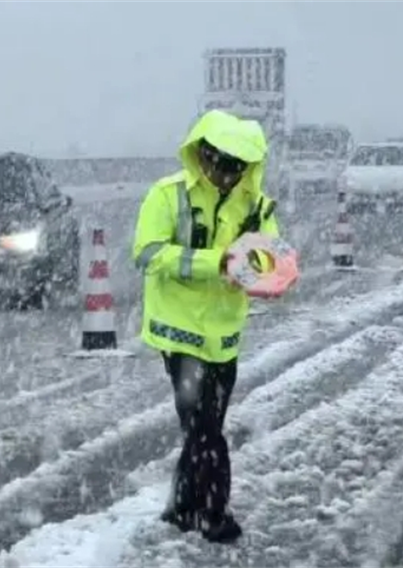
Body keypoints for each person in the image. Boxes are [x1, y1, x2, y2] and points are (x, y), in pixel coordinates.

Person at [132, 109, 280, 543]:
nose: (227, 175)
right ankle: (214, 514)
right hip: (178, 331)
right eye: (219, 163)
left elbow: (270, 257)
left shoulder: (256, 206)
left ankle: (181, 505)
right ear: (202, 154)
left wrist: (270, 271)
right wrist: (212, 263)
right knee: (205, 429)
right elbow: (147, 253)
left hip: (224, 334)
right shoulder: (167, 195)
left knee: (204, 423)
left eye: (237, 167)